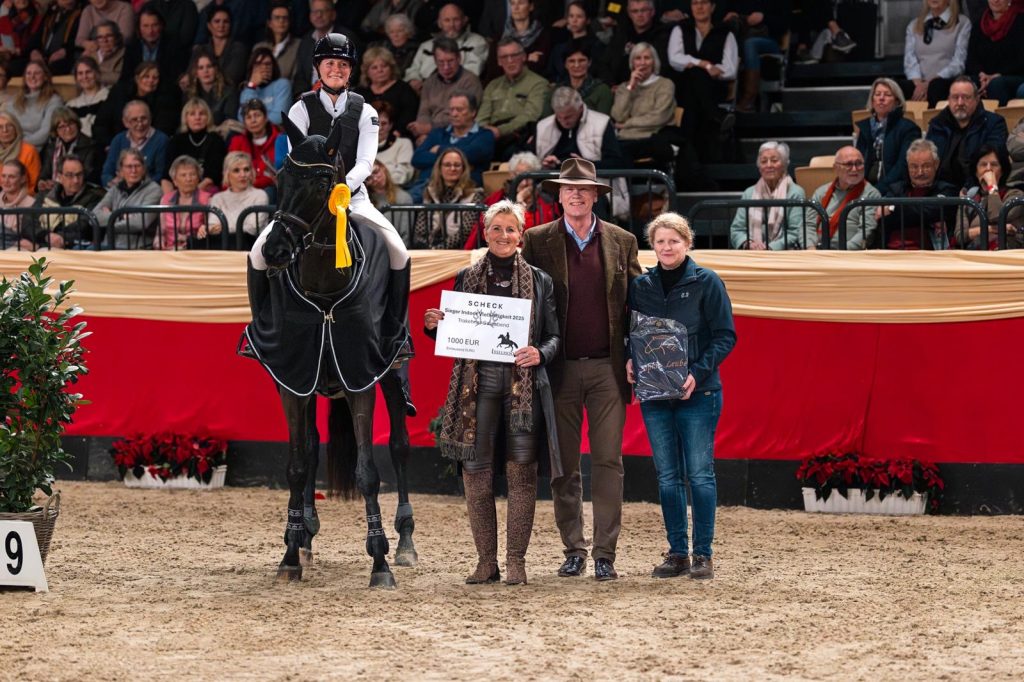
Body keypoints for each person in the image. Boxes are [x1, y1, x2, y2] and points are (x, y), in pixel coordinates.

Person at [424, 199, 561, 586]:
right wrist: (435, 325)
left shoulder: (539, 279)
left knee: (522, 474)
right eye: (497, 229)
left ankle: (516, 560)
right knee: (476, 473)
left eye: (511, 229)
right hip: (478, 387)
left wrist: (541, 351)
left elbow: (554, 336)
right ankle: (487, 560)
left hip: (524, 390)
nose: (504, 235)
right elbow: (453, 333)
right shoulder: (465, 277)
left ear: (522, 235)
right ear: (485, 233)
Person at [519, 158, 642, 581]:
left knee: (609, 461)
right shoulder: (535, 240)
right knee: (564, 465)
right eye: (568, 189)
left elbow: (639, 306)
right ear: (558, 195)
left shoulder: (623, 241)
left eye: (583, 189)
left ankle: (605, 553)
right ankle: (573, 549)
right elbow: (518, 296)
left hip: (609, 369)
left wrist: (637, 356)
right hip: (559, 369)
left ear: (595, 196)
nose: (575, 194)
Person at [256, 32, 412, 363]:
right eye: (330, 64)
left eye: (343, 65)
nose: (336, 70)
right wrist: (320, 196)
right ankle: (261, 331)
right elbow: (295, 161)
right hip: (307, 205)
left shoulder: (365, 111)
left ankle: (396, 335)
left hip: (352, 199)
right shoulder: (300, 109)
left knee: (398, 251)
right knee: (257, 253)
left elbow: (366, 163)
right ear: (318, 68)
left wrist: (340, 191)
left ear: (351, 71)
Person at [627, 212, 735, 580]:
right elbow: (634, 334)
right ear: (652, 246)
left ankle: (703, 553)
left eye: (674, 241)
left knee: (701, 475)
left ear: (687, 244)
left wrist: (696, 373)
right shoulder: (641, 286)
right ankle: (677, 552)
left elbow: (725, 336)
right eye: (660, 241)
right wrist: (630, 359)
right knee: (668, 477)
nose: (667, 247)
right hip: (655, 394)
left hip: (699, 392)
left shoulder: (708, 282)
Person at [667, 0, 738, 161]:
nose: (699, 7)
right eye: (695, 3)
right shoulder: (680, 28)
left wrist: (698, 66)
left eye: (704, 2)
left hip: (714, 89)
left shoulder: (725, 32)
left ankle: (689, 159)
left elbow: (730, 69)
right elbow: (675, 58)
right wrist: (705, 65)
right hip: (684, 88)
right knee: (694, 76)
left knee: (696, 80)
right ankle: (716, 117)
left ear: (713, 6)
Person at [925, 76, 1008, 189]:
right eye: (955, 97)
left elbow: (992, 163)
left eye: (966, 97)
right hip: (940, 191)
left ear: (977, 99)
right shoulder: (937, 124)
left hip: (978, 189)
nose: (960, 103)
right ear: (948, 100)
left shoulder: (994, 124)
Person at [462, 150, 557, 248]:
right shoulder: (497, 198)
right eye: (519, 176)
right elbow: (482, 230)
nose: (524, 183)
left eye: (528, 177)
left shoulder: (546, 201)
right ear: (511, 175)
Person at [877, 138, 959, 250]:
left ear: (936, 164)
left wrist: (893, 209)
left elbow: (925, 213)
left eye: (926, 166)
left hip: (930, 255)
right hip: (891, 252)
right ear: (908, 166)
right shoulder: (896, 189)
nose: (920, 172)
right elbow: (883, 219)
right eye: (914, 167)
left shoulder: (947, 190)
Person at [477, 38, 550, 161]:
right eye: (504, 57)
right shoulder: (493, 85)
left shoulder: (538, 83)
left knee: (509, 153)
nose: (510, 61)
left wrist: (500, 131)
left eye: (514, 55)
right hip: (490, 135)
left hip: (519, 135)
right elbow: (481, 118)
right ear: (499, 62)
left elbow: (530, 117)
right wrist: (484, 133)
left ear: (523, 57)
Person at [410, 92, 494, 196]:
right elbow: (417, 158)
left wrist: (439, 150)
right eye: (451, 109)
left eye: (459, 110)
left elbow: (472, 154)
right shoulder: (438, 133)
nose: (454, 114)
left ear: (473, 112)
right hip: (426, 187)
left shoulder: (484, 136)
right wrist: (462, 162)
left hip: (465, 190)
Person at [730, 141, 807, 249]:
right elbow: (737, 229)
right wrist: (749, 243)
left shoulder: (795, 193)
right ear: (759, 166)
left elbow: (796, 231)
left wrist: (770, 248)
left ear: (784, 164)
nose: (769, 165)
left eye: (774, 160)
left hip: (784, 254)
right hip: (752, 253)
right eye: (764, 161)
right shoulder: (749, 193)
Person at [854, 78, 923, 197]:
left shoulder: (909, 129)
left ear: (897, 101)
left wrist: (876, 191)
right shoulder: (865, 127)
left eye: (887, 94)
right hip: (865, 190)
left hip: (895, 190)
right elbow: (858, 163)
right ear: (872, 100)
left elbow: (903, 166)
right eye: (877, 94)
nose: (881, 98)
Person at [406, 36, 482, 144]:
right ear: (435, 61)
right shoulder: (429, 82)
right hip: (430, 135)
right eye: (441, 62)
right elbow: (423, 113)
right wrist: (423, 133)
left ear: (459, 58)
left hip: (458, 134)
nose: (446, 67)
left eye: (450, 61)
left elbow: (464, 117)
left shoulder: (470, 81)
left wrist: (429, 129)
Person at [610, 42, 676, 164]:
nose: (642, 62)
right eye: (638, 58)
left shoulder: (665, 84)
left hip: (652, 137)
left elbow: (659, 117)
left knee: (619, 155)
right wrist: (630, 87)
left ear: (654, 62)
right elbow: (618, 116)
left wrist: (627, 124)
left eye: (647, 58)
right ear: (632, 63)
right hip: (625, 139)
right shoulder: (624, 88)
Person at [805, 145, 882, 250]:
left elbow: (865, 232)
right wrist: (810, 248)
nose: (854, 169)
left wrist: (841, 252)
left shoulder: (871, 194)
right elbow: (808, 224)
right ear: (836, 168)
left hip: (848, 254)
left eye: (859, 164)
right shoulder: (821, 192)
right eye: (849, 164)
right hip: (817, 252)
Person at [28, 153, 106, 250]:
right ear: (60, 177)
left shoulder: (94, 197)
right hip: (44, 243)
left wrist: (48, 241)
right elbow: (28, 222)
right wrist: (46, 236)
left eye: (79, 174)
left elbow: (84, 228)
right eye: (69, 175)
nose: (76, 180)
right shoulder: (45, 195)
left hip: (74, 249)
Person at [901, 0, 970, 107]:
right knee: (894, 87)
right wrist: (919, 84)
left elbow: (958, 63)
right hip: (919, 82)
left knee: (936, 87)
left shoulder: (962, 23)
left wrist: (929, 83)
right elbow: (910, 60)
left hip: (946, 81)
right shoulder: (914, 25)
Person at [411, 147, 484, 249]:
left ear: (463, 169)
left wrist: (440, 249)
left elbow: (465, 232)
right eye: (447, 165)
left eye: (457, 165)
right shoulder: (429, 192)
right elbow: (420, 229)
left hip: (457, 251)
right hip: (429, 250)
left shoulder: (474, 195)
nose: (452, 168)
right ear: (440, 168)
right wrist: (427, 247)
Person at [722, 1, 788, 112]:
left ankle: (749, 97)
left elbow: (784, 23)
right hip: (742, 37)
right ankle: (725, 95)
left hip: (770, 40)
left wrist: (764, 17)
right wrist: (731, 16)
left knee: (750, 44)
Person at [404, 3, 488, 90]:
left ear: (464, 20)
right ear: (439, 23)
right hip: (422, 90)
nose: (451, 25)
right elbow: (413, 69)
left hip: (457, 89)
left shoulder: (477, 41)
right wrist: (414, 79)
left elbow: (473, 71)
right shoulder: (426, 45)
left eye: (456, 20)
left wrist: (436, 83)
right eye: (447, 20)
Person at [955, 144, 1024, 248]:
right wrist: (991, 229)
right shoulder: (969, 198)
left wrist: (992, 186)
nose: (988, 169)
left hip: (1005, 256)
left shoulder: (1015, 195)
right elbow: (960, 236)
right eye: (983, 164)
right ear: (976, 171)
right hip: (975, 255)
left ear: (1002, 170)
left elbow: (997, 217)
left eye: (994, 164)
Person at [94, 61, 177, 147]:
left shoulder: (165, 100)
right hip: (116, 144)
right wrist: (109, 144)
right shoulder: (119, 93)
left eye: (155, 78)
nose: (150, 80)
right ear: (137, 78)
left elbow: (163, 129)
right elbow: (102, 123)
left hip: (148, 147)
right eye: (146, 76)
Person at [92, 147, 162, 248]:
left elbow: (140, 223)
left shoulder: (154, 190)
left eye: (137, 166)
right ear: (121, 170)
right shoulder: (115, 190)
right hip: (108, 246)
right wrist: (121, 216)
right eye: (129, 166)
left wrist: (109, 222)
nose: (133, 170)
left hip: (137, 249)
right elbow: (94, 217)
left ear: (143, 168)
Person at [597, 0, 672, 86]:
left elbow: (663, 69)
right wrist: (611, 85)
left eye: (644, 10)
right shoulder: (622, 33)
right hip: (620, 89)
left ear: (652, 12)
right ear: (629, 14)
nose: (639, 15)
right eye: (634, 11)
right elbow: (604, 63)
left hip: (650, 90)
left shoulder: (663, 35)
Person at [163, 97, 226, 194]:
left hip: (206, 191)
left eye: (202, 114)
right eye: (192, 114)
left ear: (208, 117)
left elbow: (212, 176)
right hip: (178, 193)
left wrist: (191, 195)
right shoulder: (176, 141)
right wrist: (171, 200)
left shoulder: (216, 140)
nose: (197, 118)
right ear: (186, 118)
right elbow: (166, 177)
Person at [966, 0, 1024, 105]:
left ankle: (1001, 121)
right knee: (966, 83)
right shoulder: (979, 25)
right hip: (984, 77)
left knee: (996, 84)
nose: (996, 0)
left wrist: (997, 75)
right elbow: (971, 60)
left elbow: (1021, 60)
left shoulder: (1020, 21)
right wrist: (982, 75)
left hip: (1015, 75)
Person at [101, 100, 169, 187]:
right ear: (125, 122)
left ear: (150, 119)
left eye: (143, 119)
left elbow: (161, 176)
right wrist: (114, 183)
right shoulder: (118, 140)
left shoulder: (161, 140)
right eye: (134, 120)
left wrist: (135, 186)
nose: (140, 124)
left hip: (147, 193)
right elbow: (106, 173)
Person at [120, 4, 189, 90]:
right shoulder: (132, 46)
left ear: (161, 25)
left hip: (164, 92)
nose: (150, 31)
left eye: (154, 25)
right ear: (139, 27)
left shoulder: (173, 44)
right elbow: (125, 78)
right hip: (136, 92)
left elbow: (175, 76)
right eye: (145, 26)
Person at [353, 46, 419, 135]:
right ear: (367, 72)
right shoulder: (360, 93)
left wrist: (395, 134)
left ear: (391, 68)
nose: (380, 70)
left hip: (396, 138)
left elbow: (409, 116)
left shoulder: (403, 89)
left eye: (384, 66)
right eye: (374, 67)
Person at [210, 151, 269, 250]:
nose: (243, 175)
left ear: (252, 172)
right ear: (227, 174)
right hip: (222, 250)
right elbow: (213, 226)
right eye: (236, 170)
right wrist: (209, 229)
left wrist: (223, 228)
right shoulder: (217, 198)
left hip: (251, 249)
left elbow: (252, 228)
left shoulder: (260, 195)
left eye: (246, 169)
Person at [157, 154, 215, 250]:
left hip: (196, 251)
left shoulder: (207, 199)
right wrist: (158, 243)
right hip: (169, 251)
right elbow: (160, 233)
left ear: (198, 178)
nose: (188, 179)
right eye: (183, 175)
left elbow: (210, 230)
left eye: (192, 174)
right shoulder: (166, 199)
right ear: (175, 180)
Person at [2, 59, 64, 148]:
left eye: (37, 73)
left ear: (45, 77)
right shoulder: (15, 100)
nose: (32, 76)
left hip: (36, 150)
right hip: (11, 148)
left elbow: (44, 134)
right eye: (29, 73)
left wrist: (14, 144)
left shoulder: (54, 100)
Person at [228, 98, 280, 202]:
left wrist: (249, 182)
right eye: (248, 117)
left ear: (265, 118)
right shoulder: (237, 142)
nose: (253, 120)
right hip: (241, 189)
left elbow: (274, 177)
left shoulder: (279, 140)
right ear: (244, 122)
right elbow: (230, 172)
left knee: (269, 192)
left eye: (257, 115)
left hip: (268, 191)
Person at [37, 107, 100, 192]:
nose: (68, 129)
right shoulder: (51, 147)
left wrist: (61, 183)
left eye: (70, 124)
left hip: (80, 192)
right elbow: (45, 173)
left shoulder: (91, 146)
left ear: (77, 124)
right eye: (62, 126)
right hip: (53, 192)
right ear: (56, 131)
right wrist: (42, 182)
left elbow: (88, 176)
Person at [546, 39, 613, 116]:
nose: (577, 65)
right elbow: (546, 121)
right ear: (565, 64)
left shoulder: (602, 90)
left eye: (581, 60)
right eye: (571, 61)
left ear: (589, 62)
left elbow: (603, 122)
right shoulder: (555, 91)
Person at [190, 5, 247, 88]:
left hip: (229, 95)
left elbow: (231, 78)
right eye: (217, 21)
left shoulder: (238, 48)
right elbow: (191, 74)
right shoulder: (200, 50)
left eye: (226, 22)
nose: (221, 25)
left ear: (230, 25)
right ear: (209, 26)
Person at [182, 48, 240, 128]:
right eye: (201, 68)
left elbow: (230, 122)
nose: (206, 71)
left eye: (209, 66)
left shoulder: (229, 92)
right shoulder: (189, 95)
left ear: (215, 70)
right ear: (196, 73)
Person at [548, 1, 605, 82]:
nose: (574, 20)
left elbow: (598, 73)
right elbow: (550, 72)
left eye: (579, 16)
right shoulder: (560, 46)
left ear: (588, 20)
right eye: (571, 16)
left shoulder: (597, 46)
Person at [238, 47, 292, 126]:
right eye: (258, 64)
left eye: (268, 64)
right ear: (252, 68)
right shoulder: (248, 89)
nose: (264, 67)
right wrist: (252, 86)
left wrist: (254, 122)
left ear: (274, 66)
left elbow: (279, 118)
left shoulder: (282, 85)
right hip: (252, 136)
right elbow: (241, 118)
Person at [26, 0, 81, 76]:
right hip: (44, 56)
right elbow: (37, 35)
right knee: (17, 66)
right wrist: (34, 51)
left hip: (66, 56)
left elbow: (79, 39)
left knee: (55, 67)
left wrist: (65, 51)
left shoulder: (81, 12)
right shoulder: (52, 12)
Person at [366, 159, 413, 245]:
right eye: (369, 178)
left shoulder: (404, 198)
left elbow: (406, 235)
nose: (375, 178)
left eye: (376, 172)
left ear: (383, 168)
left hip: (398, 249)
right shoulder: (364, 202)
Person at [253, 1, 300, 84]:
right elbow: (251, 77)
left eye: (285, 18)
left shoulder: (298, 45)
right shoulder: (258, 47)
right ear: (269, 23)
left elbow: (296, 78)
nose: (281, 21)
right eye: (277, 17)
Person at [65, 56, 110, 138]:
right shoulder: (71, 105)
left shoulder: (109, 97)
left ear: (96, 73)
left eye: (88, 72)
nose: (84, 77)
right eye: (80, 73)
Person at [374, 100, 414, 186]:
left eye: (384, 124)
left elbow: (403, 176)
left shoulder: (403, 144)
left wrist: (376, 181)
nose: (379, 128)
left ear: (391, 125)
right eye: (376, 123)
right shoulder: (359, 146)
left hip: (392, 190)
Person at [0, 113, 41, 194]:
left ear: (16, 128)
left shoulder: (29, 151)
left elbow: (34, 186)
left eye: (9, 126)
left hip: (23, 200)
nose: (5, 130)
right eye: (0, 127)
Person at [0, 0, 43, 77]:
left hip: (26, 57)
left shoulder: (38, 19)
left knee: (13, 66)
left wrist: (20, 51)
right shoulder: (4, 20)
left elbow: (36, 44)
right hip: (6, 57)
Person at [0, 160, 35, 249]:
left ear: (23, 179)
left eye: (11, 177)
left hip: (17, 249)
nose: (6, 181)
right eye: (3, 176)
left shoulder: (32, 204)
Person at [373, 12, 419, 79]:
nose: (395, 35)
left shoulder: (415, 49)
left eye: (399, 31)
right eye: (392, 32)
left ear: (408, 32)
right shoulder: (383, 47)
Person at [83, 19, 125, 87]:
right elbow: (75, 73)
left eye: (109, 36)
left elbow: (120, 77)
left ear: (117, 37)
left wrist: (95, 75)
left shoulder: (124, 54)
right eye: (100, 37)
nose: (104, 40)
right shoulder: (90, 55)